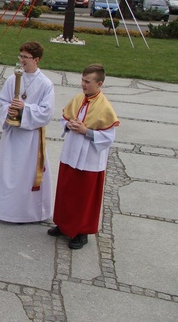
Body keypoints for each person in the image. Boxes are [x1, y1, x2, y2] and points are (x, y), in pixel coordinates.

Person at [48, 64, 119, 250]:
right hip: (71, 153)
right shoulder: (78, 99)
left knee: (83, 196)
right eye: (82, 80)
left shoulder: (104, 107)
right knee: (66, 190)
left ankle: (81, 232)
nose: (83, 84)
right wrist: (68, 124)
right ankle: (63, 224)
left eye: (87, 82)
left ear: (99, 83)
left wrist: (86, 131)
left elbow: (108, 138)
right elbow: (64, 118)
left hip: (89, 160)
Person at [0, 41, 55, 223]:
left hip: (31, 138)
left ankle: (29, 213)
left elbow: (46, 113)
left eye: (25, 58)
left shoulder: (45, 84)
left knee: (26, 175)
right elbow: (2, 100)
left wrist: (24, 108)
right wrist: (8, 111)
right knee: (9, 172)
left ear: (36, 59)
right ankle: (6, 211)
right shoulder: (13, 79)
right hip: (12, 135)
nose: (21, 61)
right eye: (20, 56)